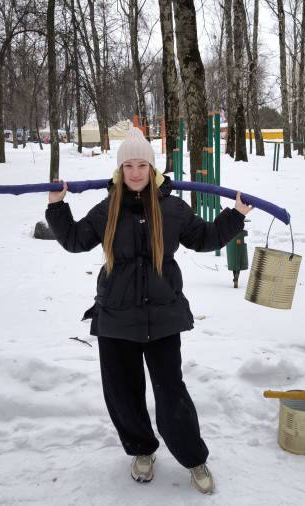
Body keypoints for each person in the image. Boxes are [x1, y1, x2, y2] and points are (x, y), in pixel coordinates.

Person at [45, 127, 254, 495]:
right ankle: (142, 450)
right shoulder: (107, 208)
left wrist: (235, 215)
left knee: (171, 393)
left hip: (162, 317)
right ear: (120, 170)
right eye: (129, 165)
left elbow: (204, 238)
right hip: (115, 317)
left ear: (153, 169)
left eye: (143, 165)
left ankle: (193, 458)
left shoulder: (172, 208)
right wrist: (57, 207)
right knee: (123, 394)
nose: (136, 172)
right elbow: (76, 241)